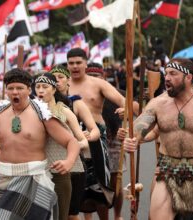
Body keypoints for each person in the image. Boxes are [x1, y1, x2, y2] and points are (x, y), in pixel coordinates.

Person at [0, 68, 80, 219]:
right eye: (11, 88)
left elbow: (71, 141)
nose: (15, 92)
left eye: (20, 88)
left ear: (29, 89)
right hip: (4, 177)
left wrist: (69, 161)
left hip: (34, 177)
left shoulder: (42, 113)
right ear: (6, 90)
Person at [123, 58, 193, 219]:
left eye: (173, 74)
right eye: (166, 74)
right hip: (167, 172)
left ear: (188, 77)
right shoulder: (157, 104)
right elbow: (137, 131)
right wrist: (131, 140)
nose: (167, 78)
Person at [66, 48, 133, 219]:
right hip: (69, 138)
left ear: (85, 63)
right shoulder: (63, 85)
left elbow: (127, 104)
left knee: (100, 186)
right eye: (71, 63)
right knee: (70, 186)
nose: (74, 66)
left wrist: (124, 110)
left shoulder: (98, 84)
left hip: (97, 140)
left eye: (78, 62)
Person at [34, 73, 87, 220]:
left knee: (63, 215)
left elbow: (82, 140)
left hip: (61, 169)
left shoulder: (64, 111)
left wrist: (73, 148)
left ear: (54, 90)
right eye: (37, 87)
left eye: (45, 86)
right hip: (36, 170)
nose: (41, 90)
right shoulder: (30, 111)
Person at [50, 65, 100, 220]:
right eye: (54, 78)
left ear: (68, 80)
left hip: (75, 160)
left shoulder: (75, 103)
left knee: (71, 214)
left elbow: (95, 130)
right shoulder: (40, 105)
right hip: (49, 162)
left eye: (60, 77)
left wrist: (86, 138)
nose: (57, 81)